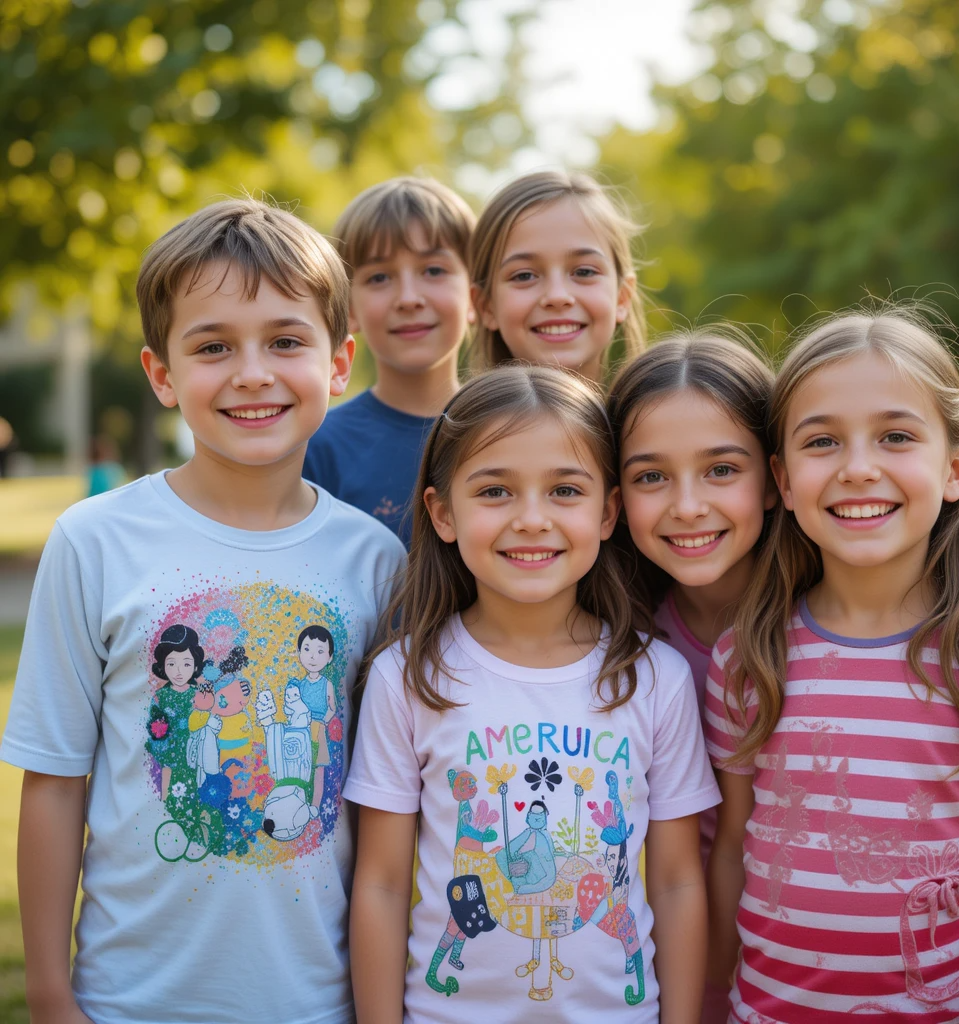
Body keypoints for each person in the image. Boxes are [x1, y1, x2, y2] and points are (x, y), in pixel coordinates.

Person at [1, 197, 406, 1024]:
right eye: (213, 346)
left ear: (339, 363)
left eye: (286, 341)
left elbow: (385, 811)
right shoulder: (94, 541)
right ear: (161, 374)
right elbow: (52, 781)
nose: (252, 372)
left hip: (318, 1001)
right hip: (128, 1001)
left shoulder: (377, 562)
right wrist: (48, 993)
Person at [344, 365, 720, 1023]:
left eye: (565, 490)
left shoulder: (654, 678)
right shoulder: (407, 679)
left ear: (607, 512)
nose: (531, 519)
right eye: (495, 490)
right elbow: (379, 883)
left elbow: (677, 880)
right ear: (442, 512)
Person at [703, 308, 959, 1023]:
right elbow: (732, 854)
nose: (857, 468)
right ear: (783, 481)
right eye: (823, 442)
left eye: (896, 436)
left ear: (955, 468)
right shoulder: (749, 657)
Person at [607, 331, 775, 1022]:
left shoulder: (829, 627)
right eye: (652, 476)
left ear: (775, 478)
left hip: (792, 970)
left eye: (721, 470)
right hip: (657, 973)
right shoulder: (621, 640)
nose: (687, 505)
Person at [304, 177, 476, 544]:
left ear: (475, 294)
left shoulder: (508, 431)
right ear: (348, 308)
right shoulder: (316, 448)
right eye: (379, 277)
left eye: (433, 270)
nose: (409, 298)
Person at [468, 170, 646, 384]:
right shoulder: (453, 418)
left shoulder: (669, 417)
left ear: (622, 297)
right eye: (524, 276)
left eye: (584, 272)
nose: (557, 296)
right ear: (486, 306)